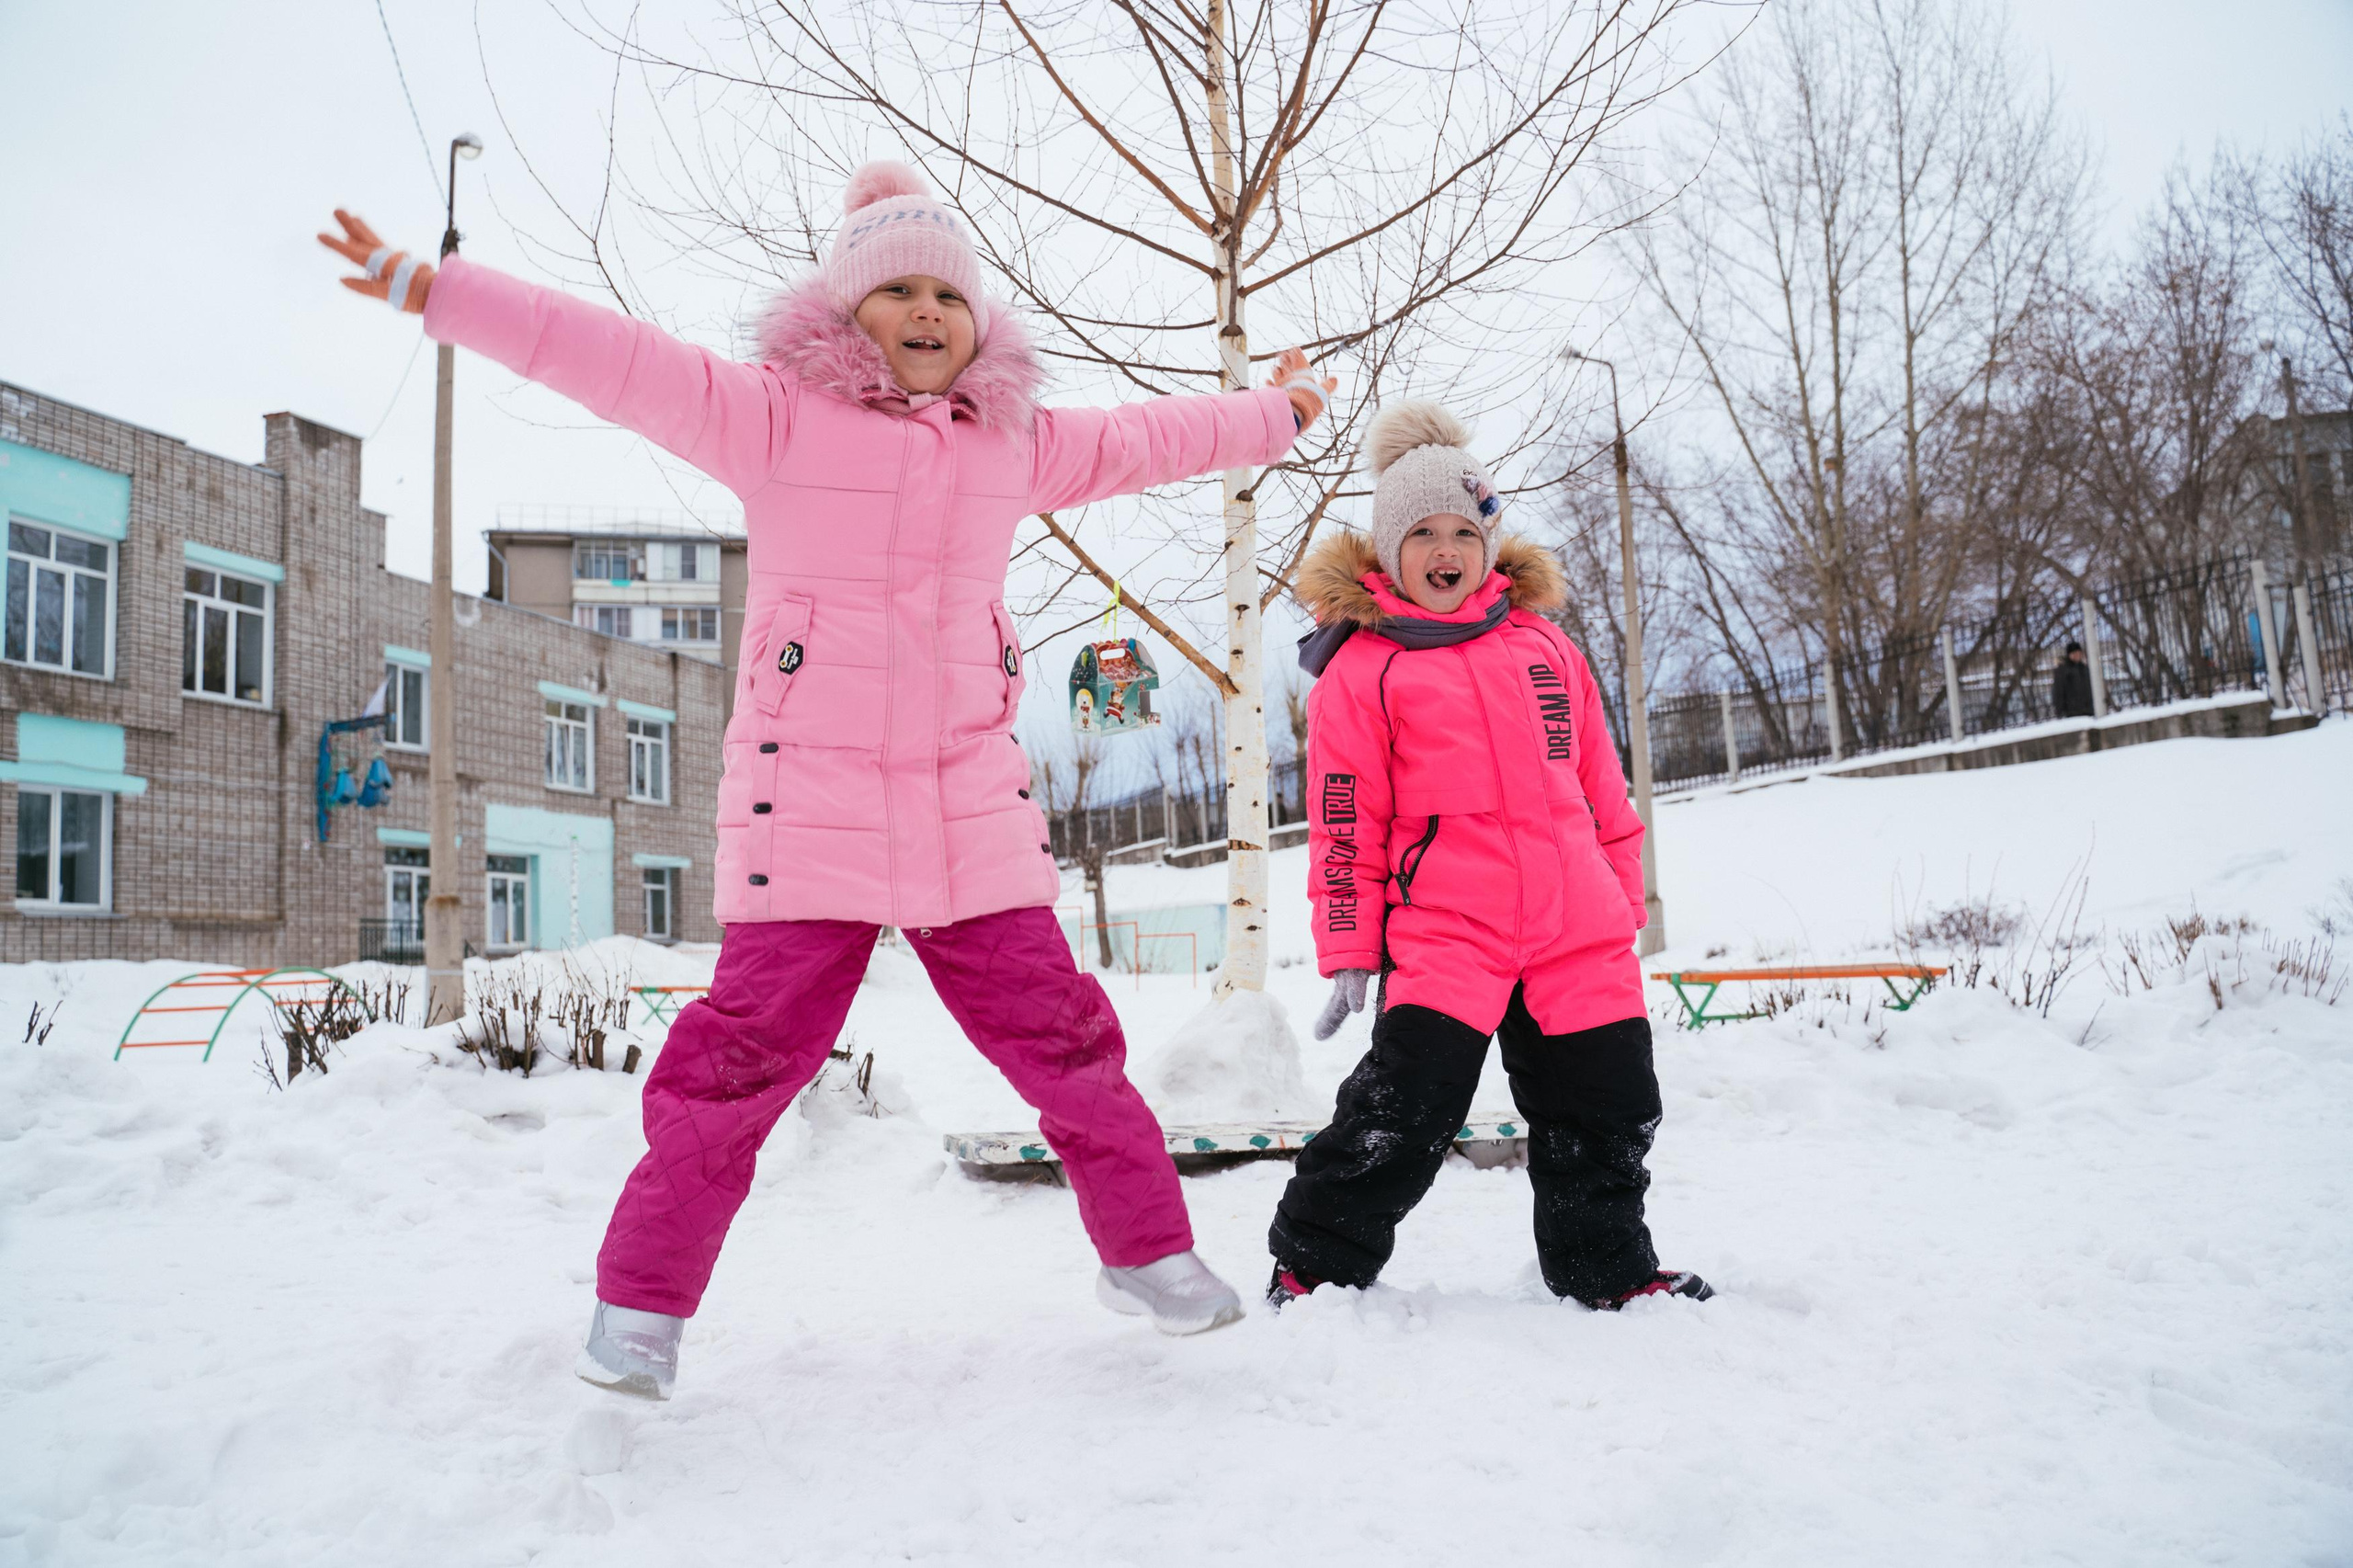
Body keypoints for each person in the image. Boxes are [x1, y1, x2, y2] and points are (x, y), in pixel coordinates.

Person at [320, 162, 1338, 1398]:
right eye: (895, 291)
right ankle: (640, 1307)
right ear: (846, 313)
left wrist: (1274, 416)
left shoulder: (1012, 445)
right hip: (806, 808)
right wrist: (441, 291)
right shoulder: (772, 417)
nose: (924, 312)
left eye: (945, 295)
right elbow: (613, 356)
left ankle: (1151, 1251)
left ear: (976, 322)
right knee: (736, 1063)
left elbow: (1150, 439)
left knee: (1071, 1044)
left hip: (970, 806)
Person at [1267, 401, 1711, 1312]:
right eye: (1421, 532)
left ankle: (1606, 1269)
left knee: (1608, 1107)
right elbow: (1344, 821)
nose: (1444, 550)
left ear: (1487, 539)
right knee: (1401, 1111)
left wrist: (1622, 899)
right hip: (1446, 929)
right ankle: (1314, 1266)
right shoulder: (1365, 670)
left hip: (1573, 926)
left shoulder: (1544, 647)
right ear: (1387, 549)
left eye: (1461, 530)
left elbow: (1601, 788)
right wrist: (1351, 946)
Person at [2052, 640, 2096, 718]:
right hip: (2071, 713)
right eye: (2074, 653)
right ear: (2069, 655)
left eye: (2079, 653)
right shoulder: (2062, 670)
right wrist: (2060, 712)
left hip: (2088, 711)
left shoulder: (2085, 668)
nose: (2077, 655)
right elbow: (2058, 692)